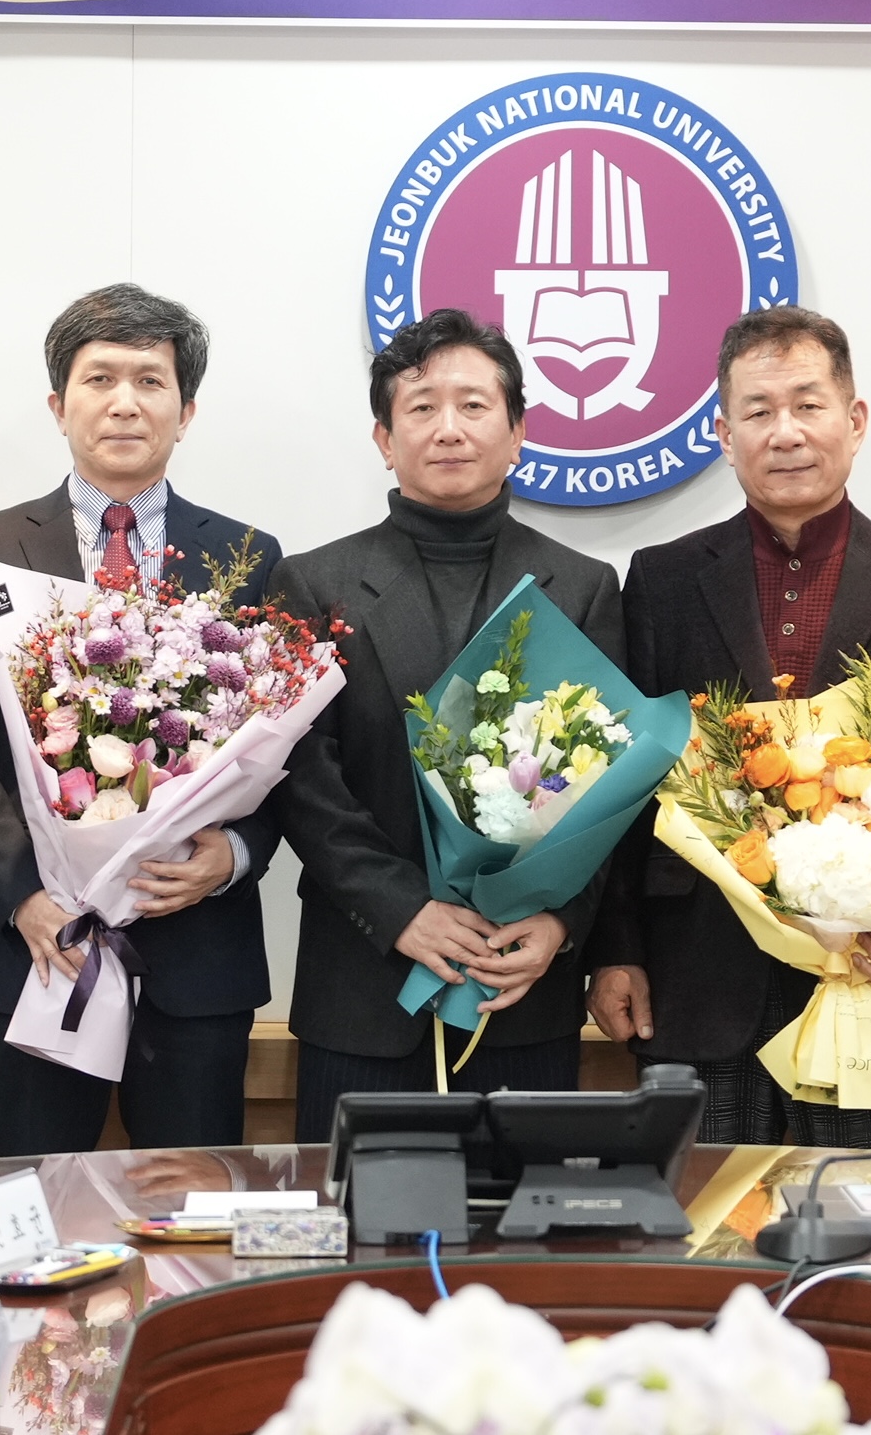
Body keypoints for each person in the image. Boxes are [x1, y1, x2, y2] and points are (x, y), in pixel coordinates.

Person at [587, 307, 871, 1149]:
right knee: (704, 1212)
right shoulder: (660, 581)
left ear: (855, 419)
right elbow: (621, 787)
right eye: (758, 411)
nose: (786, 432)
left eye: (807, 404)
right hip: (697, 973)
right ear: (723, 434)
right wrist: (614, 947)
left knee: (858, 1213)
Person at [0, 284, 283, 1155]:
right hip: (38, 951)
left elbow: (283, 753)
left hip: (195, 954)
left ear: (185, 411)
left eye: (150, 381)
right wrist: (25, 897)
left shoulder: (249, 558)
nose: (125, 402)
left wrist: (233, 856)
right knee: (33, 1200)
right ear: (59, 405)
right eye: (99, 379)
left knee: (192, 1206)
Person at [263, 311, 624, 1138]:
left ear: (517, 431)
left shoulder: (582, 587)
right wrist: (401, 909)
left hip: (519, 985)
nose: (449, 428)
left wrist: (561, 921)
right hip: (365, 989)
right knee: (359, 1214)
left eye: (473, 404)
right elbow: (302, 782)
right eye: (421, 407)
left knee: (524, 1217)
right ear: (384, 439)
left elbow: (612, 792)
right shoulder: (313, 584)